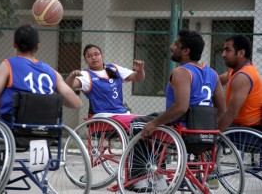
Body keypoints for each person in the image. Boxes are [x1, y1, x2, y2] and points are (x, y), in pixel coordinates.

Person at [129, 29, 226, 191]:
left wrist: (154, 124)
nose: (171, 46)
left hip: (183, 131)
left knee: (138, 125)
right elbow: (222, 109)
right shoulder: (213, 74)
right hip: (206, 133)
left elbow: (181, 107)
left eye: (176, 44)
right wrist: (210, 129)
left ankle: (140, 179)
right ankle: (158, 177)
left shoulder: (182, 72)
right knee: (156, 119)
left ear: (186, 51)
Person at [0, 24, 82, 120]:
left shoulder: (8, 65)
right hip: (47, 129)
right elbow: (77, 103)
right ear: (37, 46)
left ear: (14, 44)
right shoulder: (53, 73)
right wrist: (51, 99)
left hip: (13, 127)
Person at [65, 44, 145, 126]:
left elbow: (137, 78)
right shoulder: (86, 75)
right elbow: (68, 85)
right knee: (142, 122)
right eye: (89, 56)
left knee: (150, 120)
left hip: (122, 114)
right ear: (85, 60)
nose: (93, 58)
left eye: (96, 54)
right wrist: (71, 77)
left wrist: (140, 70)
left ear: (102, 56)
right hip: (104, 117)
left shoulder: (113, 68)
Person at [218, 35, 262, 132]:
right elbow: (216, 81)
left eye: (227, 50)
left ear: (241, 53)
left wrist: (211, 135)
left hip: (246, 129)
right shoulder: (236, 70)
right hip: (238, 125)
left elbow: (231, 113)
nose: (223, 54)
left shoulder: (242, 77)